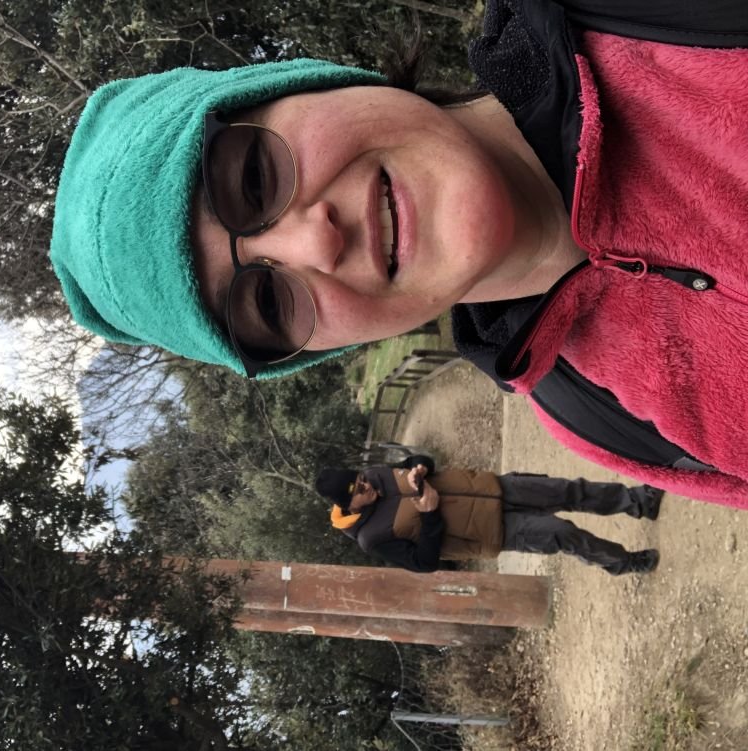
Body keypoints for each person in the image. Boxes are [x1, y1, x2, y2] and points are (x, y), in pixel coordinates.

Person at [50, 1, 748, 507]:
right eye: (267, 301)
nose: (317, 241)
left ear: (305, 82)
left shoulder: (647, 19)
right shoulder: (597, 420)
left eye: (253, 178)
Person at [314, 457, 662, 576]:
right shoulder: (372, 538)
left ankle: (637, 501)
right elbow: (424, 563)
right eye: (360, 489)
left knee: (568, 490)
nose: (368, 485)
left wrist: (420, 466)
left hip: (493, 488)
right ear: (350, 504)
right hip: (492, 530)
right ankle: (623, 562)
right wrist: (430, 516)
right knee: (562, 532)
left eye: (362, 478)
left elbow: (421, 462)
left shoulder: (375, 475)